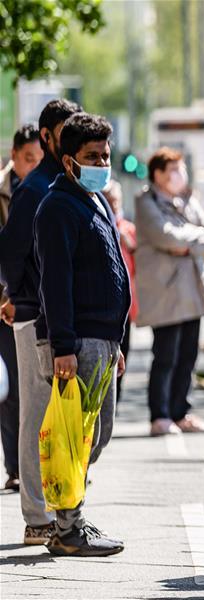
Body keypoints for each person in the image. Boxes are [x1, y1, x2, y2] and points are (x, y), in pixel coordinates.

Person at [33, 112, 128, 556]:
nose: (102, 163)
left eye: (106, 155)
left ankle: (70, 519)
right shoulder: (57, 207)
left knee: (97, 432)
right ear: (69, 160)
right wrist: (64, 346)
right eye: (93, 157)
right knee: (78, 434)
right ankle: (68, 527)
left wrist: (118, 342)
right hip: (80, 341)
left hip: (104, 340)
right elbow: (56, 282)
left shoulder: (95, 200)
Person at [0, 98, 82, 545]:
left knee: (65, 419)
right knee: (35, 416)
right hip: (35, 320)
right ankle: (37, 516)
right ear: (48, 135)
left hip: (65, 321)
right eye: (66, 130)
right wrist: (19, 296)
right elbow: (10, 251)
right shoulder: (36, 188)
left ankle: (60, 506)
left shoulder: (70, 182)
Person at [135, 148, 204, 436]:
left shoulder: (188, 199)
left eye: (180, 169)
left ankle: (181, 412)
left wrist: (187, 242)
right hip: (164, 293)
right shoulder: (146, 201)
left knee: (188, 355)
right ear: (157, 174)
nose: (178, 175)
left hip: (192, 291)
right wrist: (191, 238)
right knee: (165, 355)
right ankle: (159, 416)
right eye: (171, 170)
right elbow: (165, 235)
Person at [0, 124, 43, 492]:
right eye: (28, 158)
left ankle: (37, 465)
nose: (33, 165)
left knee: (33, 387)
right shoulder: (4, 191)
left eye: (38, 159)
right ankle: (15, 467)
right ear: (13, 156)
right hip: (5, 305)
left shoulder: (46, 190)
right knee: (11, 388)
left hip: (28, 302)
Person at [104, 180, 137, 400]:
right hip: (105, 303)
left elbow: (138, 259)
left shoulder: (127, 228)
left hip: (127, 303)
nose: (114, 206)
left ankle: (118, 394)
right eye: (109, 201)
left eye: (116, 201)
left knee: (125, 348)